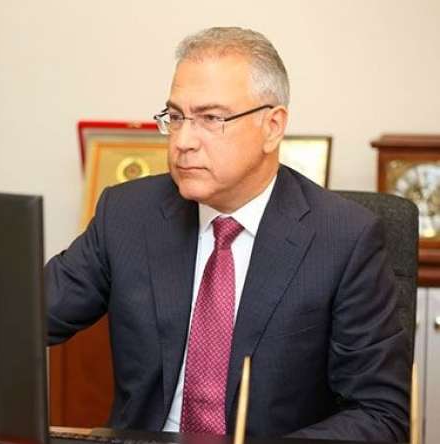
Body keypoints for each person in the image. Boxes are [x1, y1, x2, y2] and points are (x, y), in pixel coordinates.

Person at [45, 27, 409, 441]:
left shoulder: (344, 239)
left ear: (272, 126)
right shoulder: (128, 214)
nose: (183, 141)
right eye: (176, 117)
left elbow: (381, 414)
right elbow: (25, 318)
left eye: (211, 118)